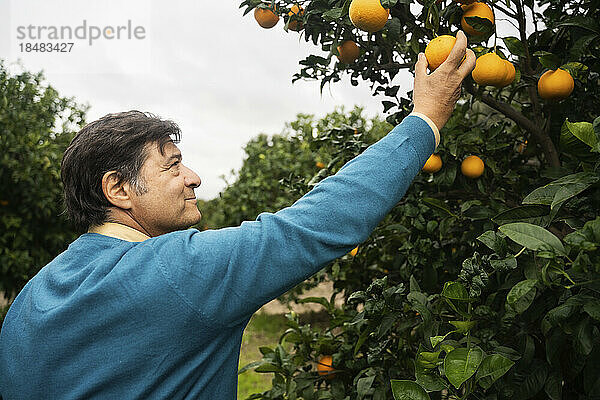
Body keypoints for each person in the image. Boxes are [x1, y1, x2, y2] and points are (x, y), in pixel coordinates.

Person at [0, 31, 475, 399]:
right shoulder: (180, 271)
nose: (195, 177)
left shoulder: (33, 296)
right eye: (172, 166)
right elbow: (318, 223)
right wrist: (426, 119)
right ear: (120, 189)